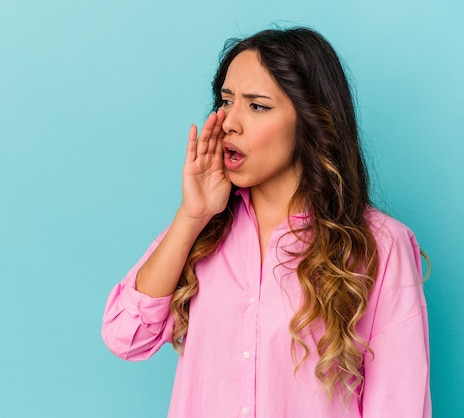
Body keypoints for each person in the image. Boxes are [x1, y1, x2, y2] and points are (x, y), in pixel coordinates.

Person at [102, 27, 430, 417]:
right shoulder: (204, 229)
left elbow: (399, 403)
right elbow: (126, 336)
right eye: (226, 101)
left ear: (309, 120)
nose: (229, 123)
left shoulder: (379, 245)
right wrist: (191, 217)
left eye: (257, 106)